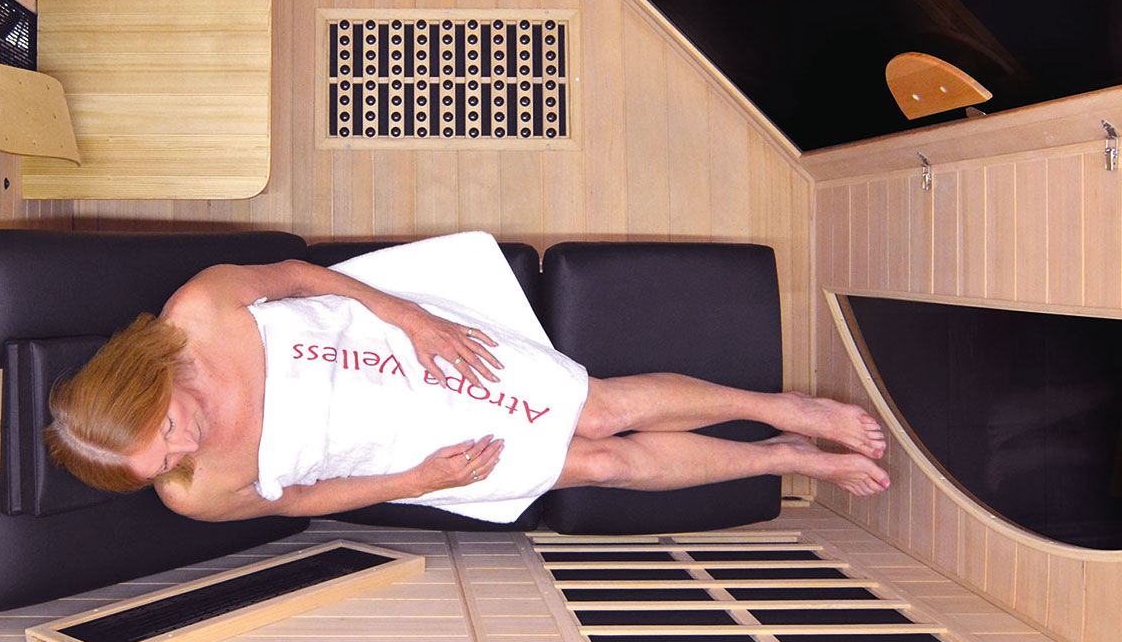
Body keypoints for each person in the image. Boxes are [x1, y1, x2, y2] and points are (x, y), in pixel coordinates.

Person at [46, 258, 889, 524]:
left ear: (144, 379)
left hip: (406, 353)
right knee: (602, 467)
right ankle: (783, 459)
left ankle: (780, 409)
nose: (186, 448)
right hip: (415, 452)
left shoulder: (200, 312)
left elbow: (301, 275)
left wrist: (411, 318)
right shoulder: (195, 494)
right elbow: (302, 501)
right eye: (164, 464)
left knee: (601, 410)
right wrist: (418, 482)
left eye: (168, 426)